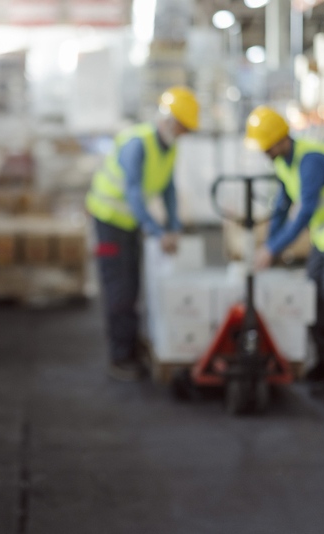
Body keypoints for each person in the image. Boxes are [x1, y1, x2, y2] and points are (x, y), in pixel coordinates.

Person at [244, 105, 324, 397]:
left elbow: (303, 213)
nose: (264, 153)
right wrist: (269, 243)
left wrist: (273, 250)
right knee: (312, 294)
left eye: (265, 147)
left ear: (279, 140)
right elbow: (282, 206)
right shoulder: (282, 162)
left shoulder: (309, 160)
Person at [86, 86, 199, 381]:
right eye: (183, 128)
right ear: (170, 121)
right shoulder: (137, 144)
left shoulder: (169, 147)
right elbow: (134, 193)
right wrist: (157, 230)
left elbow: (168, 188)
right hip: (109, 223)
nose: (184, 134)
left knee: (134, 285)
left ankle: (133, 346)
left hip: (131, 224)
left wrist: (173, 225)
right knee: (119, 290)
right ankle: (120, 357)